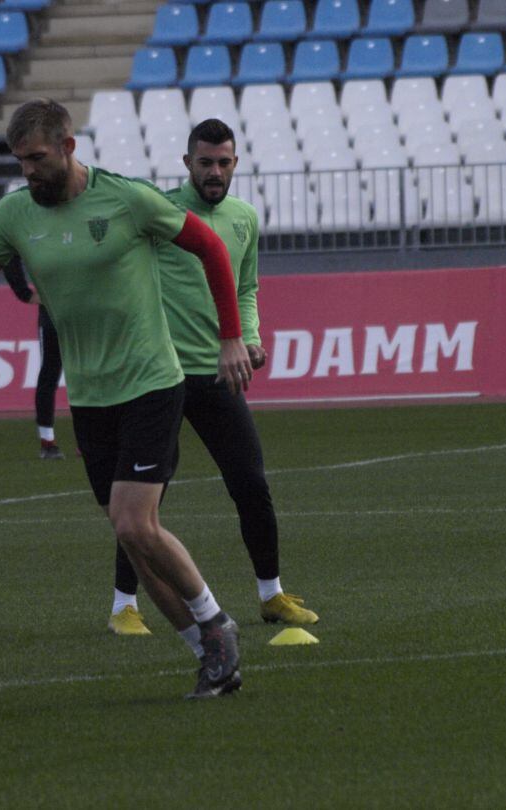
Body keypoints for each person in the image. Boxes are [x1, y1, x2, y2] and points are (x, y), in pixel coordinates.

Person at [0, 99, 252, 699]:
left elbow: (209, 247)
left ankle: (216, 623)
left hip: (153, 381)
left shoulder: (127, 199)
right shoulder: (13, 214)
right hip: (91, 396)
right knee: (129, 532)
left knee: (136, 519)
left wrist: (230, 336)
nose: (27, 170)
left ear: (68, 146)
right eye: (20, 160)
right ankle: (206, 653)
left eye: (37, 158)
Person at [107, 119, 319, 644]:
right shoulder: (161, 213)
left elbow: (246, 288)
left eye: (224, 162)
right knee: (143, 502)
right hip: (160, 376)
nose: (215, 172)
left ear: (235, 163)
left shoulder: (244, 218)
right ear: (187, 164)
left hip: (218, 373)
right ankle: (124, 606)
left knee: (251, 483)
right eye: (205, 163)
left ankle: (271, 595)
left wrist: (248, 337)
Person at [2, 257, 65, 460]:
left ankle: (94, 437)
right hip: (53, 314)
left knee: (92, 373)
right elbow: (8, 254)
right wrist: (24, 292)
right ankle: (47, 441)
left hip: (86, 312)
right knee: (50, 374)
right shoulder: (36, 226)